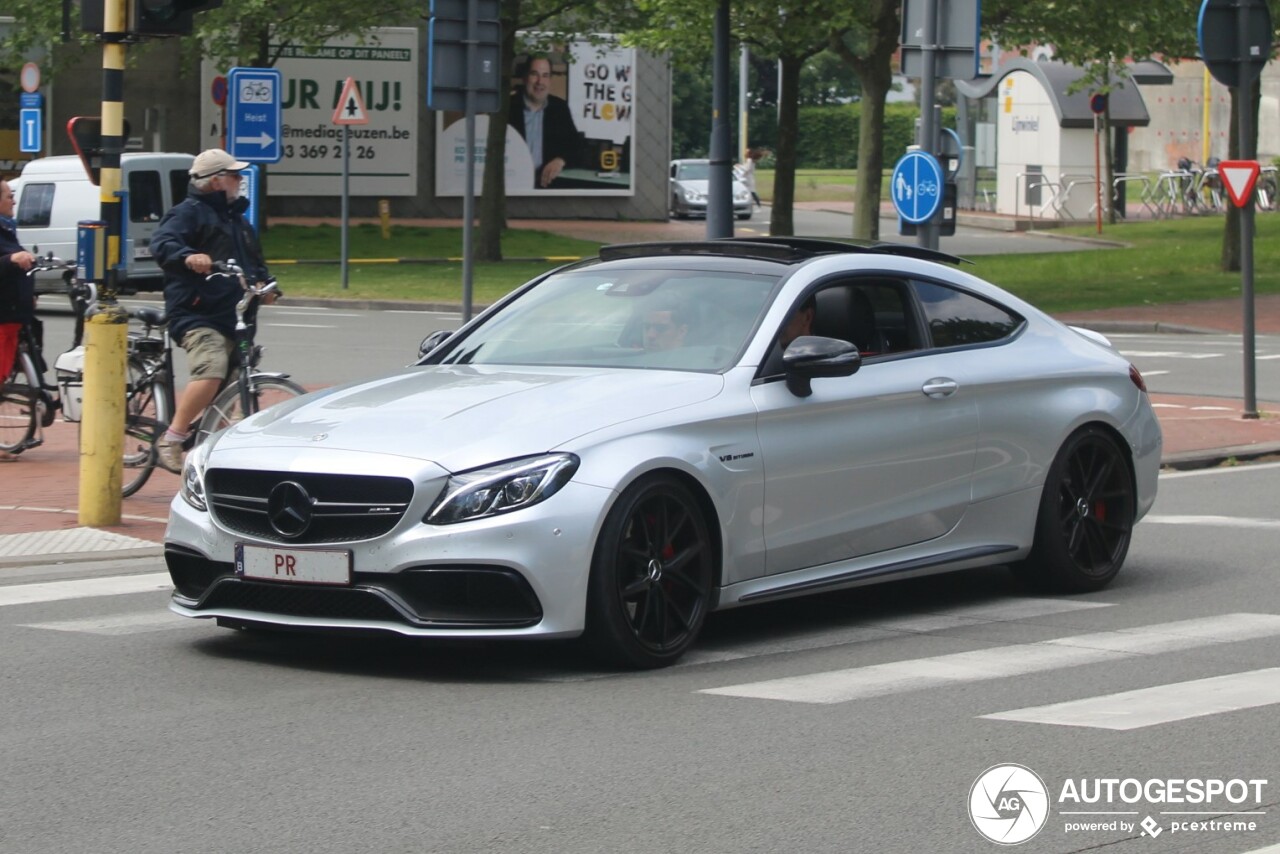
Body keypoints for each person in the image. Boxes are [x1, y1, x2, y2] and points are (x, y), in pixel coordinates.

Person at [149, 149, 273, 474]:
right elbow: (162, 243)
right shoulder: (187, 213)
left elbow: (254, 262)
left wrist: (268, 284)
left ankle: (223, 449)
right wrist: (189, 256)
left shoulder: (238, 220)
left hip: (237, 316)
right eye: (234, 175)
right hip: (198, 314)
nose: (240, 180)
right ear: (217, 181)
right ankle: (172, 437)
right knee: (213, 368)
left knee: (238, 379)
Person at [508, 55, 586, 189]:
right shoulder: (507, 108)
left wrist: (560, 160)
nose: (540, 81)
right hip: (511, 185)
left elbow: (575, 145)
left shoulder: (559, 108)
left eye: (545, 75)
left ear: (550, 80)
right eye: (534, 74)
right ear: (525, 77)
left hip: (546, 185)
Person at [0, 178, 37, 461]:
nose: (13, 200)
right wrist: (12, 259)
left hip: (13, 315)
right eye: (9, 195)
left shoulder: (7, 227)